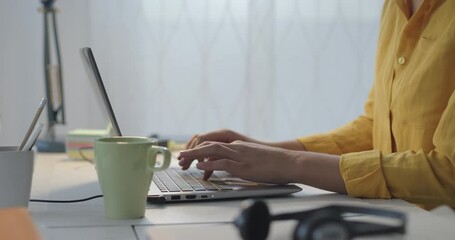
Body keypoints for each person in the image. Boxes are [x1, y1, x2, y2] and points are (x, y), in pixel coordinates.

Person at [178, 0, 455, 209]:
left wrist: (292, 164)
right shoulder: (394, 6)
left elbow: (449, 173)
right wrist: (265, 152)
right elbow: (377, 127)